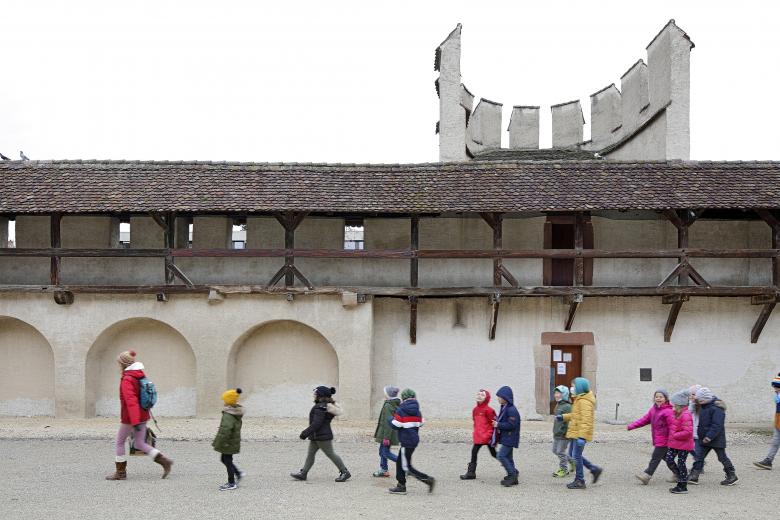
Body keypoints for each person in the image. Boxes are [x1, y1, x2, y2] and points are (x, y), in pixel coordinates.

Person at [105, 350, 173, 481]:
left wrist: (134, 421)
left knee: (119, 442)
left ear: (123, 364)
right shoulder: (139, 375)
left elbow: (131, 402)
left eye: (119, 363)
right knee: (139, 443)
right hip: (143, 414)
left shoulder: (127, 379)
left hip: (130, 418)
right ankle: (165, 461)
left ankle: (120, 473)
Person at [290, 386, 351, 483]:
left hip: (322, 437)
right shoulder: (323, 406)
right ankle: (303, 473)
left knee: (331, 454)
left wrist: (305, 433)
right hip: (317, 436)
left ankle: (344, 472)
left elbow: (316, 423)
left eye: (315, 394)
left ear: (320, 395)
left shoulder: (320, 407)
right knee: (310, 454)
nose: (314, 395)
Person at [558, 377, 603, 489]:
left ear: (579, 387)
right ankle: (594, 469)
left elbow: (586, 420)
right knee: (573, 455)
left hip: (579, 434)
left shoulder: (584, 402)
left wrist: (582, 437)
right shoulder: (579, 399)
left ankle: (580, 480)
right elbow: (575, 415)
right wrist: (564, 417)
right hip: (576, 433)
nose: (571, 388)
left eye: (573, 386)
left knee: (576, 456)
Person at [388, 388, 436, 494]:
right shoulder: (417, 411)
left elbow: (396, 425)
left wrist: (390, 419)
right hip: (413, 441)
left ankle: (427, 480)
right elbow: (421, 423)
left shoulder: (401, 410)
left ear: (403, 398)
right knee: (400, 462)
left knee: (406, 467)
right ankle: (401, 485)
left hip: (406, 442)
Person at [688, 387, 737, 486]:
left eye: (701, 400)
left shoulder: (717, 408)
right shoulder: (704, 406)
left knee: (722, 457)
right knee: (699, 457)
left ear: (706, 398)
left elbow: (717, 425)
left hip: (716, 439)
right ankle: (694, 475)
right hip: (704, 439)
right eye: (698, 400)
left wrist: (709, 436)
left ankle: (731, 475)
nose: (699, 402)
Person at [626, 389, 673, 484]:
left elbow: (672, 426)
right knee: (667, 459)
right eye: (656, 397)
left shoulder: (668, 411)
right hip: (658, 439)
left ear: (666, 399)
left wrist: (673, 439)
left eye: (661, 397)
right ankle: (679, 473)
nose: (658, 398)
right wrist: (631, 426)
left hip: (664, 440)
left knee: (655, 457)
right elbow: (644, 420)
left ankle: (647, 476)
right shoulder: (653, 409)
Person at [212, 388, 245, 491]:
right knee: (224, 459)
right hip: (232, 441)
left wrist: (221, 442)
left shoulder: (229, 414)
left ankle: (231, 483)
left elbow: (226, 429)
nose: (223, 402)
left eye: (225, 400)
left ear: (228, 401)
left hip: (228, 442)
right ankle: (238, 473)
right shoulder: (235, 411)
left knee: (227, 460)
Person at [460, 389, 497, 480]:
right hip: (479, 437)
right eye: (478, 394)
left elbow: (494, 424)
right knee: (474, 452)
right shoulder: (475, 410)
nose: (479, 396)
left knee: (494, 454)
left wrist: (490, 435)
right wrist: (476, 433)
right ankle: (471, 473)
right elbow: (476, 423)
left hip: (487, 437)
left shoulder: (489, 410)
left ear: (486, 398)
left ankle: (511, 468)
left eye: (482, 395)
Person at [665, 390, 695, 494]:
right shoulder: (676, 413)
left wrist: (675, 435)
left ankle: (682, 485)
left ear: (679, 405)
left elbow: (688, 431)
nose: (672, 407)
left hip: (684, 445)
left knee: (681, 463)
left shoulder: (686, 415)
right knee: (669, 459)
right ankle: (681, 477)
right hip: (675, 444)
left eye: (674, 405)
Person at [492, 385, 521, 487]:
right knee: (508, 457)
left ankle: (512, 475)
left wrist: (498, 424)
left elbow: (512, 425)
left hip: (510, 437)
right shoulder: (504, 407)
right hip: (506, 437)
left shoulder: (511, 410)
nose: (498, 398)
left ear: (505, 398)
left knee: (501, 455)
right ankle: (512, 474)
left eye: (500, 397)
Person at [753, 373, 780, 469]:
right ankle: (768, 461)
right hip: (778, 420)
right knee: (775, 441)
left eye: (777, 387)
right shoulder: (777, 395)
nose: (775, 389)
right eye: (774, 387)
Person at [373, 385, 401, 477]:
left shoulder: (388, 406)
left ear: (388, 395)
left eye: (385, 393)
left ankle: (404, 465)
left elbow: (388, 423)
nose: (384, 394)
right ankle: (384, 469)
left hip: (387, 435)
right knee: (382, 451)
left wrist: (386, 437)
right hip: (386, 434)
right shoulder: (392, 404)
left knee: (385, 452)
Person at [551, 385, 574, 478]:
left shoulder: (567, 406)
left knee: (560, 451)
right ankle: (572, 461)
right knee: (555, 451)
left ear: (564, 394)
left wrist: (565, 432)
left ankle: (564, 469)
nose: (556, 395)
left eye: (558, 393)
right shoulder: (558, 405)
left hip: (564, 435)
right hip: (557, 433)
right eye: (555, 393)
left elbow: (570, 421)